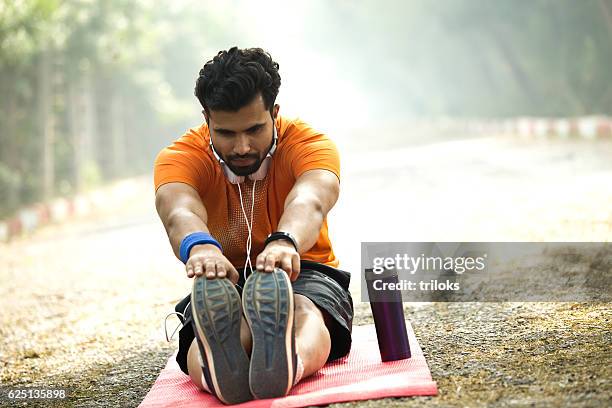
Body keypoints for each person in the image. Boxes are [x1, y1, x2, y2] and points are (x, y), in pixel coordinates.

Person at [154, 47, 353, 404]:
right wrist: (199, 245)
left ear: (274, 113)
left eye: (254, 129)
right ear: (206, 118)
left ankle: (287, 361)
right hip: (223, 277)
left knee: (302, 307)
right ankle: (221, 369)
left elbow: (311, 199)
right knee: (219, 328)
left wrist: (285, 241)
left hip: (304, 268)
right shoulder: (181, 156)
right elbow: (178, 209)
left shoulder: (310, 143)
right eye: (226, 133)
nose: (242, 146)